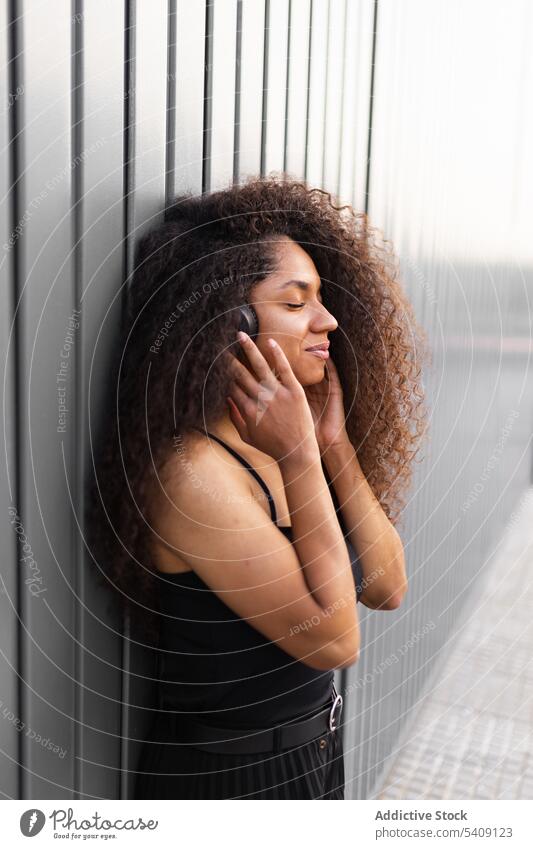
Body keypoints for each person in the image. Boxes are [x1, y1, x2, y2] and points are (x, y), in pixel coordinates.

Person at [86, 174, 429, 799]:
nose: (326, 319)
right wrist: (301, 457)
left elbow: (387, 586)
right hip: (231, 780)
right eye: (295, 303)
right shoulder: (193, 476)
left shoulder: (283, 439)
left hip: (315, 749)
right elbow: (335, 639)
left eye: (319, 298)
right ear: (230, 321)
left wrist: (332, 448)